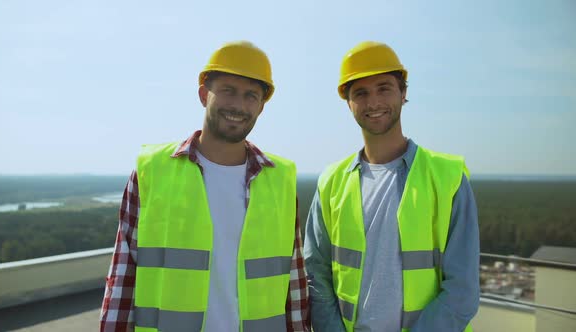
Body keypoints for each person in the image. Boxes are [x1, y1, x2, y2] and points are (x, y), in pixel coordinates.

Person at [100, 41, 309, 332]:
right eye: (228, 91)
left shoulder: (280, 179)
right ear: (203, 94)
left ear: (262, 106)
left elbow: (294, 282)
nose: (238, 105)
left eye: (251, 95)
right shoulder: (152, 171)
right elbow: (123, 276)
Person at [304, 41, 480, 332]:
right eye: (360, 93)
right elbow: (316, 274)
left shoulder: (448, 177)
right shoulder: (330, 182)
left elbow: (462, 292)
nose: (373, 103)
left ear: (403, 93)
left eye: (384, 88)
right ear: (348, 102)